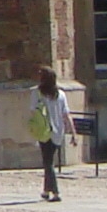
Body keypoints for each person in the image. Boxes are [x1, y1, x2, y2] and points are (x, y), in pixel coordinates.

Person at [28, 67, 71, 201]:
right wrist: (73, 132)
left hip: (44, 130)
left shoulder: (37, 93)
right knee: (48, 160)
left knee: (48, 162)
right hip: (58, 131)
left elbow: (33, 111)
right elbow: (66, 114)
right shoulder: (61, 94)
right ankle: (46, 191)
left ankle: (56, 192)